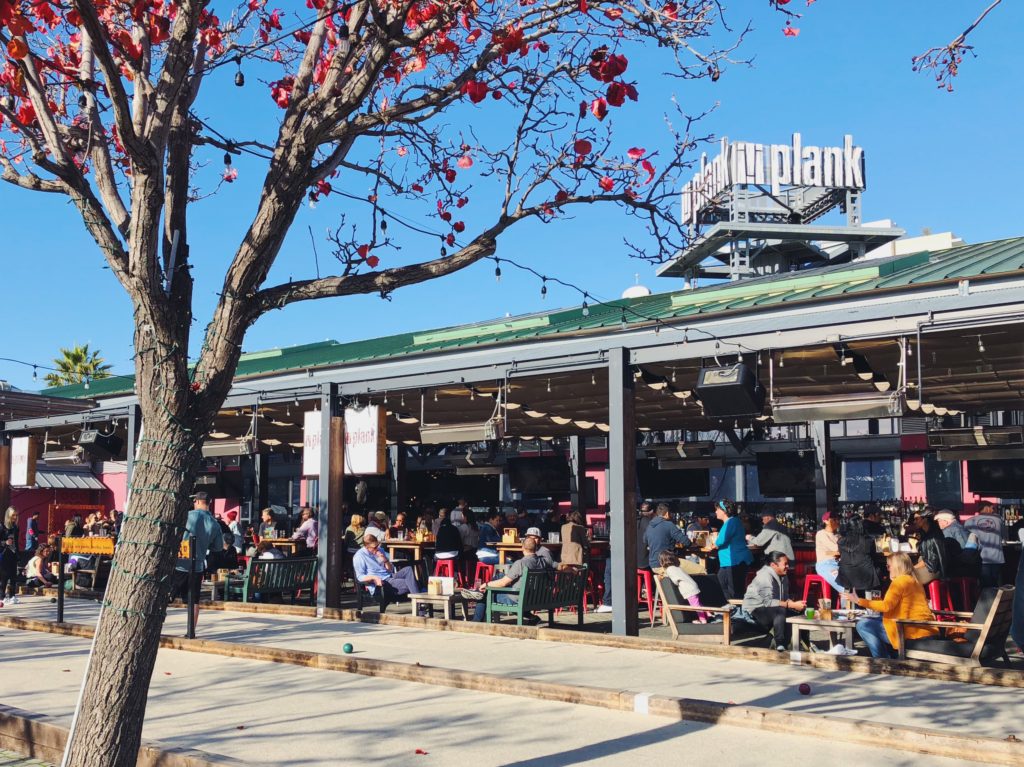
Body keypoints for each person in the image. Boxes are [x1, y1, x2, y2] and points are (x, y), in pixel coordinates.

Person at [854, 553, 938, 658]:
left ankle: (882, 660)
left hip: (908, 632)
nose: (888, 569)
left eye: (889, 566)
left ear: (897, 566)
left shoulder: (899, 582)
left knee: (862, 624)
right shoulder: (915, 581)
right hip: (925, 630)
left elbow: (886, 606)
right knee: (876, 620)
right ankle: (891, 655)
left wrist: (858, 600)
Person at [463, 537, 553, 623]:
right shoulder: (543, 562)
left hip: (517, 598)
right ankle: (533, 618)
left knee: (485, 594)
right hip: (534, 598)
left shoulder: (521, 563)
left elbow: (503, 583)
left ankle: (476, 621)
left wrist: (486, 585)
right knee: (500, 576)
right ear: (536, 548)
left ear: (522, 547)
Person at [173, 492, 223, 629]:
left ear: (199, 501)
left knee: (166, 595)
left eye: (194, 501)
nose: (194, 503)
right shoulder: (215, 524)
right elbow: (217, 548)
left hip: (179, 562)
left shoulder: (187, 516)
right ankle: (191, 631)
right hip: (197, 566)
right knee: (194, 600)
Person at [742, 551, 805, 650]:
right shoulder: (764, 576)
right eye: (785, 564)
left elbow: (784, 599)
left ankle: (805, 645)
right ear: (773, 565)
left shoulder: (783, 576)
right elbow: (768, 602)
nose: (788, 566)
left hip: (773, 608)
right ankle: (779, 643)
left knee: (801, 614)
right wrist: (790, 605)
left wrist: (795, 604)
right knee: (780, 611)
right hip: (755, 610)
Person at [353, 533, 421, 607]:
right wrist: (374, 577)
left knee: (408, 569)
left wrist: (385, 560)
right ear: (366, 547)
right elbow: (360, 577)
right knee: (413, 584)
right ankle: (420, 607)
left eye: (377, 545)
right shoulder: (360, 556)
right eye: (374, 547)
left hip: (389, 575)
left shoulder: (380, 551)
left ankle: (418, 605)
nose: (376, 548)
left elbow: (390, 570)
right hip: (382, 582)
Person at [712, 500, 753, 600]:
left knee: (734, 591)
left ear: (724, 511)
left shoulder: (730, 522)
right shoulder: (734, 521)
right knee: (721, 585)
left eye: (717, 509)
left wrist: (714, 542)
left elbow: (720, 541)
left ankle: (737, 612)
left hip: (734, 561)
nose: (715, 512)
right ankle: (731, 610)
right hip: (730, 561)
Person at [964, 502, 1006, 588]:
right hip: (997, 557)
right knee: (995, 584)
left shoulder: (969, 521)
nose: (993, 511)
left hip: (980, 558)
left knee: (984, 585)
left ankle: (986, 600)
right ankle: (995, 600)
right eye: (992, 508)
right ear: (986, 508)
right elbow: (1005, 536)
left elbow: (967, 540)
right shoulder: (999, 520)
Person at [659, 550, 708, 623]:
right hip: (693, 586)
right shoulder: (676, 567)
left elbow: (675, 581)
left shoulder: (669, 569)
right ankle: (708, 614)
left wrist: (665, 576)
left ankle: (703, 620)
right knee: (698, 603)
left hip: (688, 589)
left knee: (695, 605)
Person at [837, 518, 880, 594]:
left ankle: (847, 605)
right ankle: (871, 603)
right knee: (879, 569)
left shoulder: (840, 541)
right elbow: (874, 555)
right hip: (866, 575)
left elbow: (841, 555)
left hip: (846, 574)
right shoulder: (868, 540)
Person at [643, 504, 688, 570]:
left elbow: (644, 540)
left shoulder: (649, 526)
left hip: (653, 564)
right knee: (700, 569)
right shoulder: (669, 525)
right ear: (667, 514)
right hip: (667, 564)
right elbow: (686, 542)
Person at [910, 510, 948, 586]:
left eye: (917, 519)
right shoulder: (926, 534)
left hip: (934, 570)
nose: (914, 522)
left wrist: (912, 568)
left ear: (925, 519)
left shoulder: (932, 537)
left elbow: (930, 561)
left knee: (905, 577)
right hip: (932, 568)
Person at [814, 511, 842, 593]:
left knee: (852, 581)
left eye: (838, 519)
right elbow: (836, 549)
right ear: (825, 521)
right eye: (834, 519)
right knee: (844, 586)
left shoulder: (837, 535)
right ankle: (846, 606)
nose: (837, 521)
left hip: (839, 564)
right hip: (825, 565)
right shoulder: (821, 533)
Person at [0, 533, 19, 604]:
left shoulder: (15, 528)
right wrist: (5, 543)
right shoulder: (2, 528)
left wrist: (18, 557)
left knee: (13, 579)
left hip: (13, 560)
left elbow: (16, 544)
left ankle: (12, 596)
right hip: (3, 560)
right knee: (3, 580)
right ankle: (2, 597)